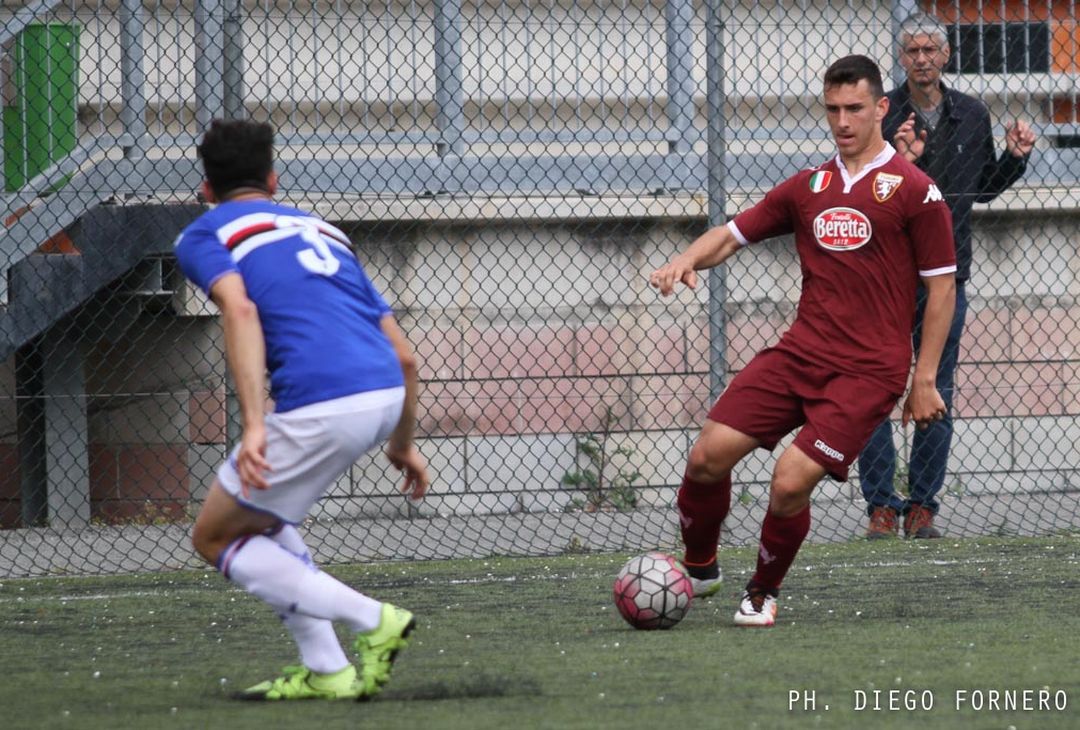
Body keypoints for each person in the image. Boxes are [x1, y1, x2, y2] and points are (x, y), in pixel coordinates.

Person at [649, 55, 956, 627]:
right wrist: (687, 258)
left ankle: (762, 592)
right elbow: (734, 234)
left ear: (881, 109)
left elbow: (941, 292)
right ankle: (699, 566)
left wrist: (924, 378)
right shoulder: (809, 186)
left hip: (868, 372)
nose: (842, 121)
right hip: (800, 354)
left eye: (855, 109)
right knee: (706, 457)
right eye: (833, 109)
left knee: (789, 481)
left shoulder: (917, 192)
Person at [177, 119, 430, 700]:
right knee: (265, 521)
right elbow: (407, 356)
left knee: (214, 537)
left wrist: (255, 425)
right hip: (384, 391)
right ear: (273, 178)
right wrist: (402, 445)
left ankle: (375, 621)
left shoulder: (204, 232)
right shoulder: (326, 231)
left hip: (322, 402)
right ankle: (329, 671)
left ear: (206, 188)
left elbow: (239, 313)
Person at [859, 12, 1037, 539]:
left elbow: (981, 189)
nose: (922, 59)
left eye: (930, 50)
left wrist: (1014, 159)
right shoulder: (882, 116)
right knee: (874, 388)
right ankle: (881, 507)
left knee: (934, 387)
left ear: (946, 55)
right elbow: (862, 191)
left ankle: (922, 507)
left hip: (947, 276)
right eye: (912, 51)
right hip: (886, 275)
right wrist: (900, 158)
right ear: (901, 57)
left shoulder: (972, 113)